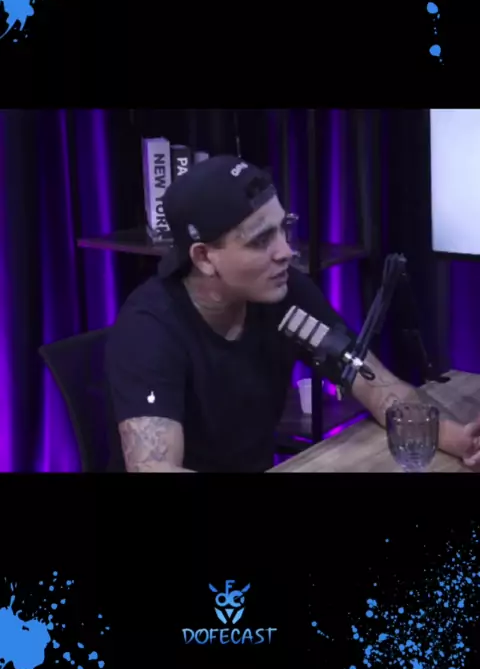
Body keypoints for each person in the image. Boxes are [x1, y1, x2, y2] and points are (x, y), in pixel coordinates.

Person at [105, 155, 480, 473]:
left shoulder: (285, 296)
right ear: (204, 258)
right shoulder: (149, 331)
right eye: (260, 240)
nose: (286, 251)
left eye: (283, 229)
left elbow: (375, 385)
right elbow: (155, 469)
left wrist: (459, 439)